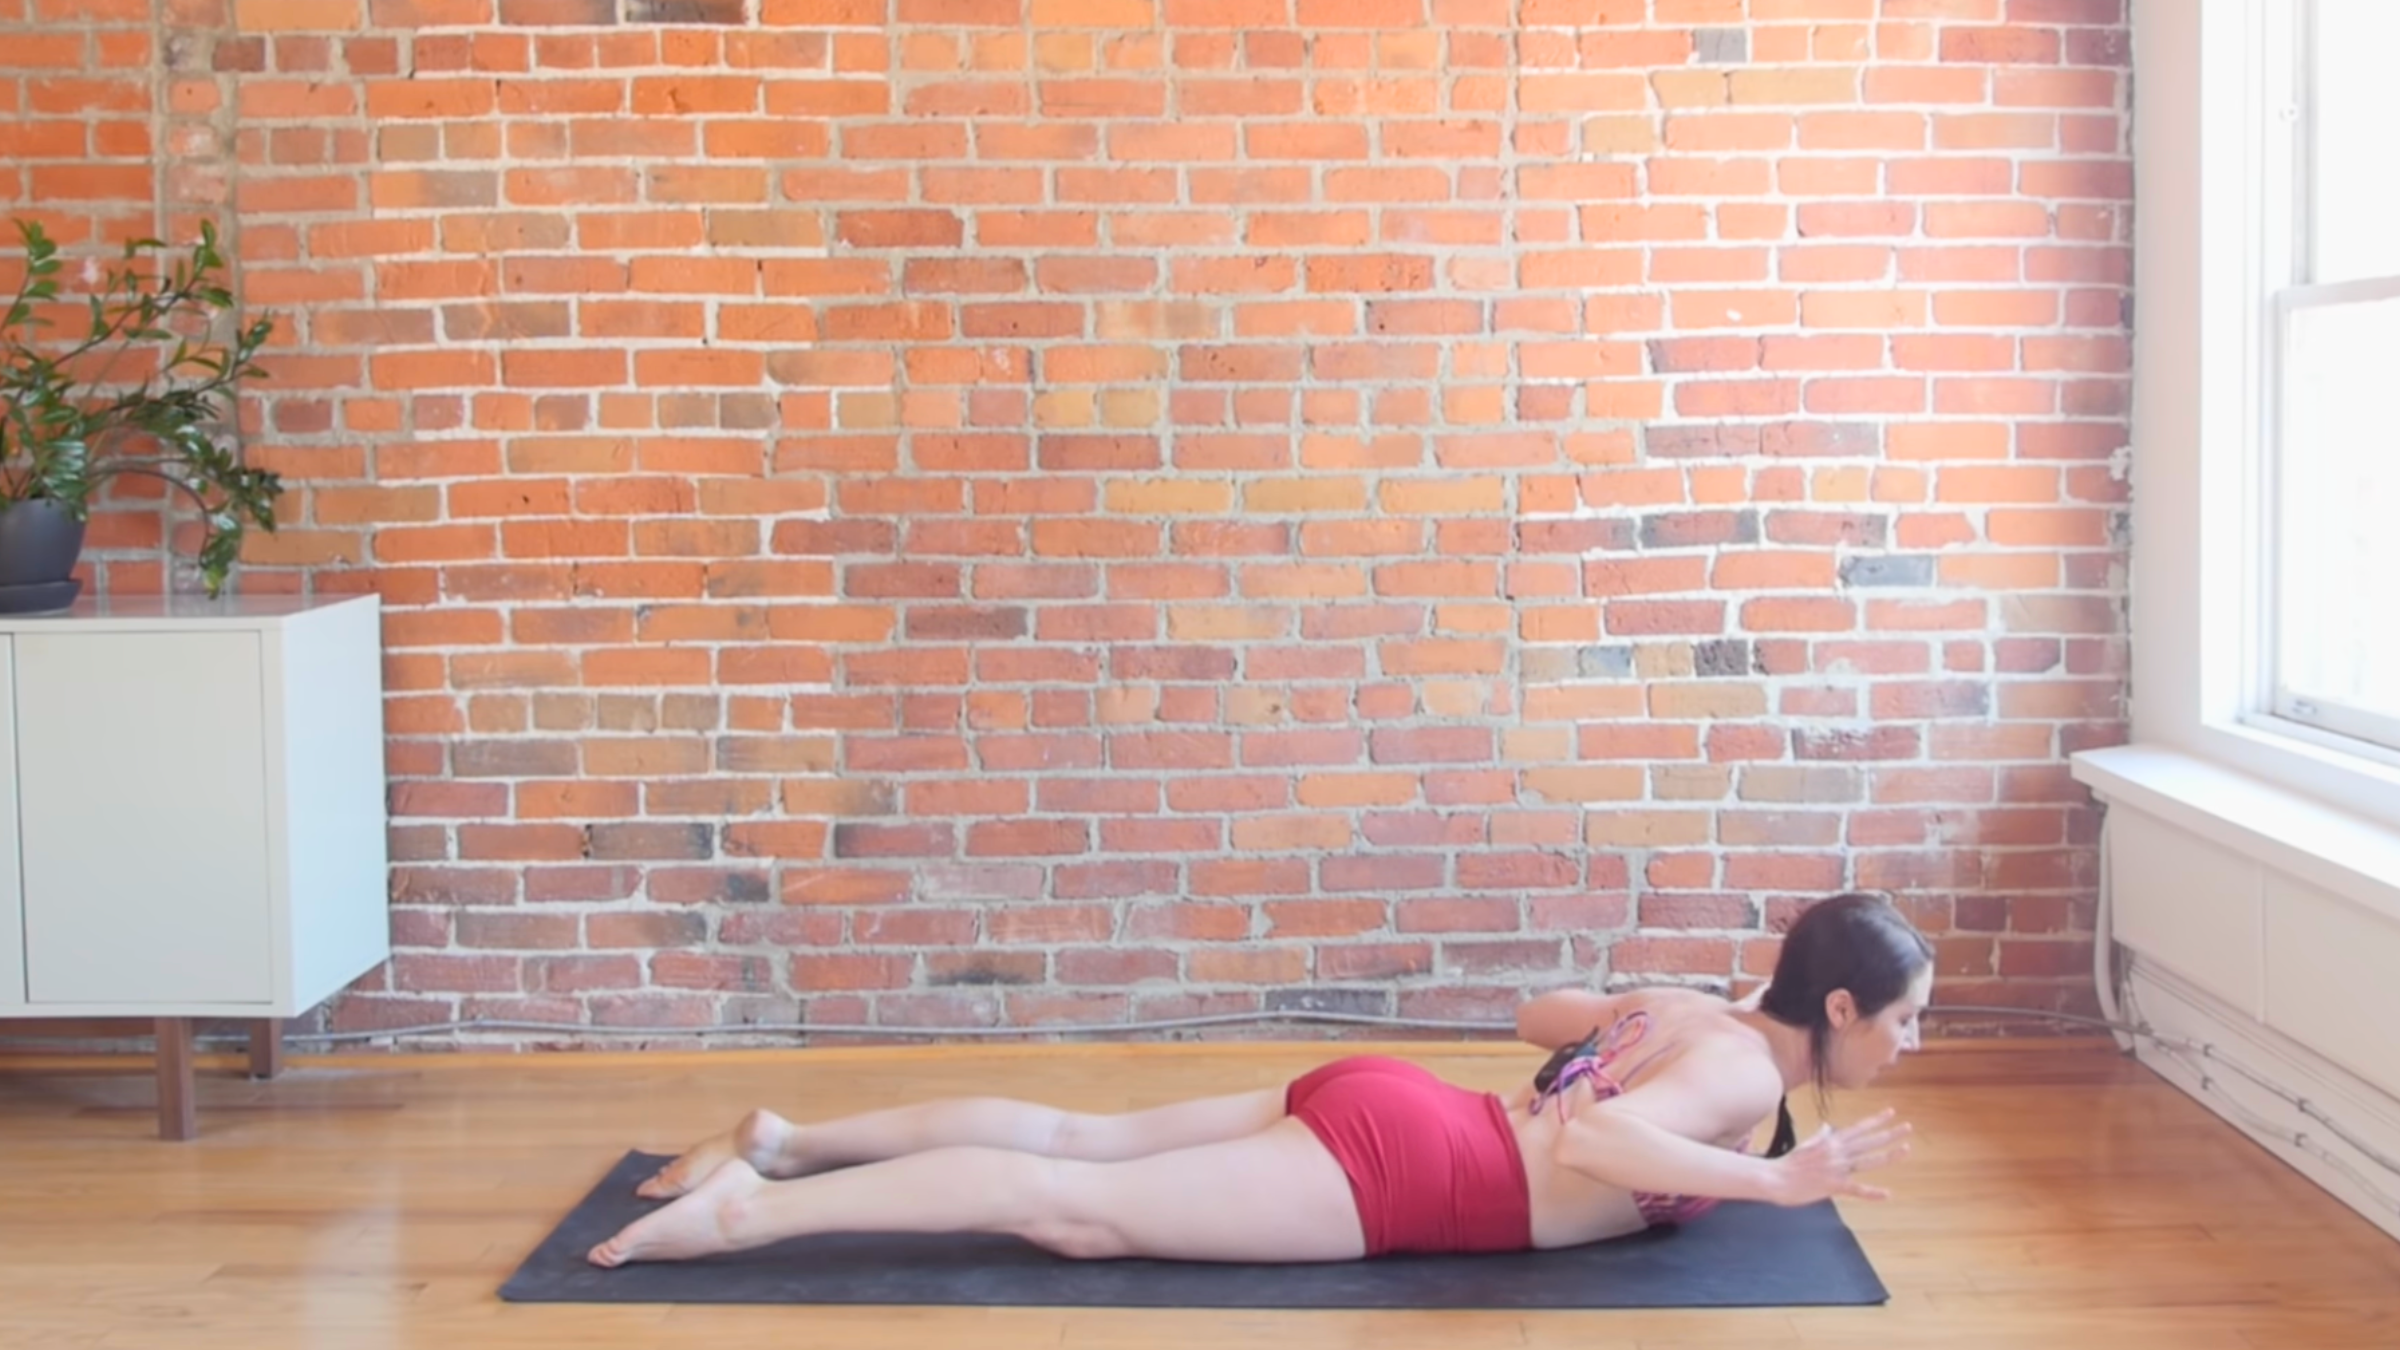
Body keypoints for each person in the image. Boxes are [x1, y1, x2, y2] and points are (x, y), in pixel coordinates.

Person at [586, 890, 1933, 1268]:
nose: (1912, 1043)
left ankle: (790, 1137)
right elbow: (1595, 1148)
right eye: (1907, 1020)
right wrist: (1776, 1180)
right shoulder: (1743, 1083)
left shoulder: (1698, 1008)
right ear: (1838, 1008)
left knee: (1078, 1136)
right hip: (1414, 1172)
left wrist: (1615, 1035)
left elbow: (1541, 1013)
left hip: (1394, 1097)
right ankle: (751, 1211)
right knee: (1074, 1208)